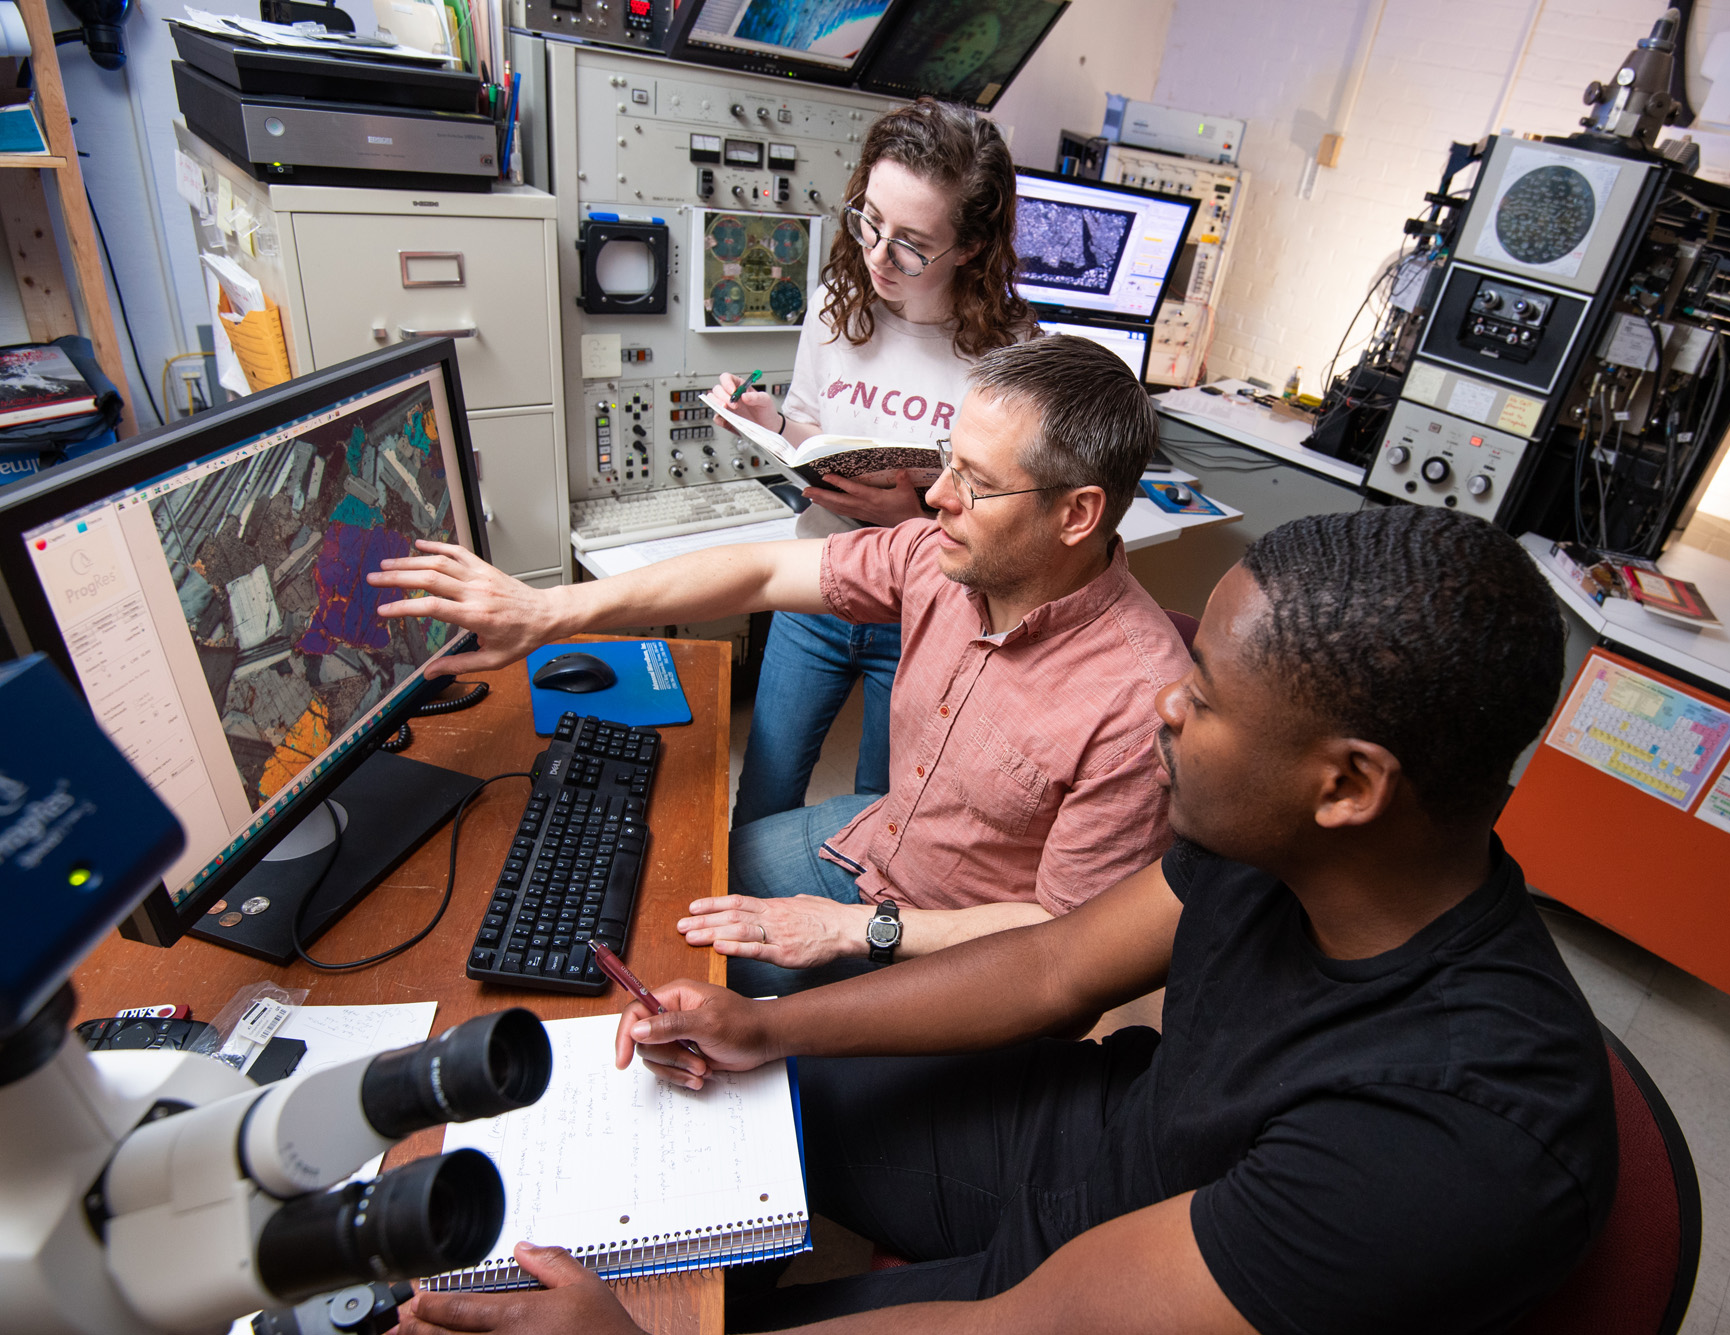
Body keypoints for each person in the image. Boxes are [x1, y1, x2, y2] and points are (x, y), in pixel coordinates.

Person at [389, 507, 1621, 1335]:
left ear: (1345, 783)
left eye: (1199, 694)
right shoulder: (1279, 840)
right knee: (719, 1112)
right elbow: (1051, 970)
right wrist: (778, 1031)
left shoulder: (1450, 1135)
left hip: (1113, 1270)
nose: (1159, 709)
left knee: (681, 1314)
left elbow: (1026, 1324)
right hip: (1091, 1136)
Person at [369, 335, 1188, 998]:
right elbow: (762, 572)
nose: (933, 495)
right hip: (878, 846)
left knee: (667, 975)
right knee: (662, 887)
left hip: (962, 958)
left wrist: (851, 929)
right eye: (948, 458)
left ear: (1076, 514)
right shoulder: (943, 558)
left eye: (973, 482)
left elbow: (1065, 938)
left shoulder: (1137, 704)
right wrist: (547, 612)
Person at [719, 98, 1034, 828]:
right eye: (870, 221)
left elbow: (1012, 506)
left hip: (924, 609)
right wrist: (768, 422)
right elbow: (808, 427)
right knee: (763, 793)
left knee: (880, 815)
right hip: (817, 587)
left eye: (913, 243)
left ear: (972, 247)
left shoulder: (1011, 347)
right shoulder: (836, 303)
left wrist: (911, 515)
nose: (877, 255)